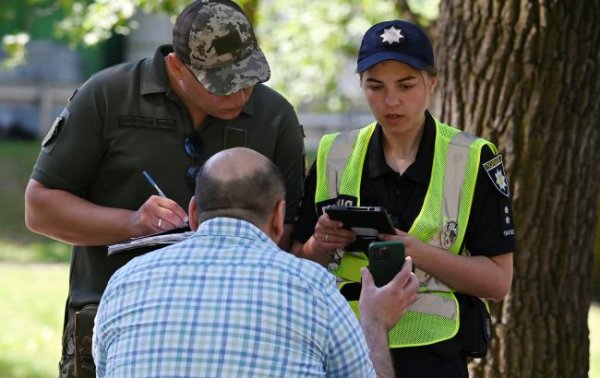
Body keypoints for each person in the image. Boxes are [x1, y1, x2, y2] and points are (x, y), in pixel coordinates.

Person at [24, 1, 304, 376]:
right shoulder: (109, 96)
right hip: (116, 326)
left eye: (249, 77)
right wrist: (132, 222)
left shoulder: (275, 116)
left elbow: (288, 229)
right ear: (176, 66)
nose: (240, 94)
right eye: (222, 84)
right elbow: (39, 207)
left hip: (238, 333)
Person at [291, 19, 516, 377]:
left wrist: (416, 251)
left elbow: (497, 282)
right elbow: (294, 265)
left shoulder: (473, 157)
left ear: (433, 82)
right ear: (361, 85)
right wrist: (319, 245)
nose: (391, 101)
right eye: (375, 86)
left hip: (435, 356)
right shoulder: (334, 153)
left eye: (406, 85)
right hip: (345, 349)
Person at [92, 147, 419, 377]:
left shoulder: (126, 279)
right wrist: (374, 323)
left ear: (193, 213)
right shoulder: (312, 286)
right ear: (279, 216)